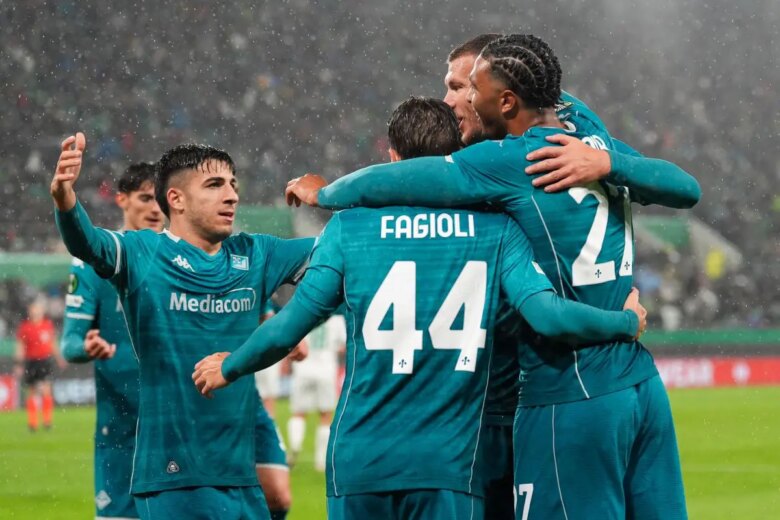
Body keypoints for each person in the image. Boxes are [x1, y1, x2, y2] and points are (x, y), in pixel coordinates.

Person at [285, 36, 700, 520]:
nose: (454, 100)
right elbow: (686, 188)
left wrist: (325, 193)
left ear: (505, 100)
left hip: (569, 390)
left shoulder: (505, 160)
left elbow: (399, 179)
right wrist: (610, 161)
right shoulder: (586, 130)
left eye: (466, 87)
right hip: (639, 384)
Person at [194, 97, 647, 520]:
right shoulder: (496, 230)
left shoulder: (348, 228)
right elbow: (549, 315)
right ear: (457, 157)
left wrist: (230, 367)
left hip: (360, 460)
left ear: (392, 158)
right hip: (447, 464)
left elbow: (288, 328)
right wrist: (625, 321)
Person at [51, 133, 313, 520]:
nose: (232, 196)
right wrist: (64, 198)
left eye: (233, 184)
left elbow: (340, 250)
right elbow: (86, 242)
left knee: (280, 498)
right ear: (176, 199)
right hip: (174, 478)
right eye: (214, 185)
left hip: (241, 477)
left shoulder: (256, 253)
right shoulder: (143, 253)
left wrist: (328, 198)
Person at [60, 161, 163, 520]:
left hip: (176, 426)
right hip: (120, 430)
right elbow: (70, 344)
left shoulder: (184, 258)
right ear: (122, 199)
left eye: (161, 199)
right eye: (146, 198)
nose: (155, 208)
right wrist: (87, 347)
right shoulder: (92, 262)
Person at [287, 313, 346, 471]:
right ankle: (321, 461)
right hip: (326, 369)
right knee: (325, 415)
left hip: (303, 368)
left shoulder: (305, 312)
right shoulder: (336, 318)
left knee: (298, 413)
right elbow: (343, 345)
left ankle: (295, 447)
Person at [15, 300, 65, 432]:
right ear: (29, 311)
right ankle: (33, 423)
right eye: (33, 309)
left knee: (46, 389)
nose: (35, 312)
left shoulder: (47, 325)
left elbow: (53, 344)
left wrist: (59, 358)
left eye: (37, 309)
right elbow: (20, 346)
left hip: (45, 361)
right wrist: (18, 364)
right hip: (31, 362)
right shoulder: (25, 327)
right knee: (31, 391)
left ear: (42, 311)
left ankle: (47, 421)